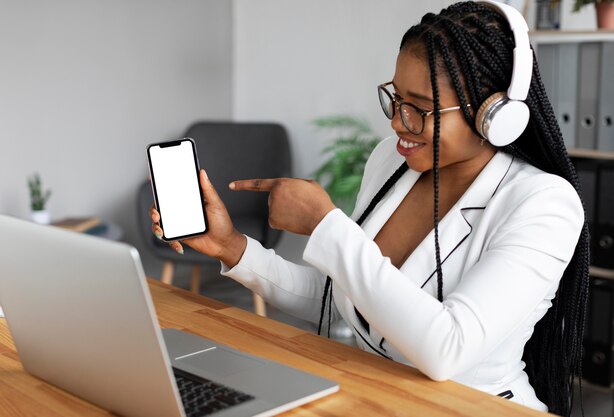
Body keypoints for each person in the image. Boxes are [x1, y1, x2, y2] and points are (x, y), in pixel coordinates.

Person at [150, 2, 588, 415]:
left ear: (495, 113)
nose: (398, 122)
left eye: (420, 108)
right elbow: (336, 301)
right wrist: (232, 247)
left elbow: (447, 349)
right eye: (395, 98)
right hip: (378, 394)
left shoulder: (543, 205)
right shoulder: (392, 162)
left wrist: (326, 226)